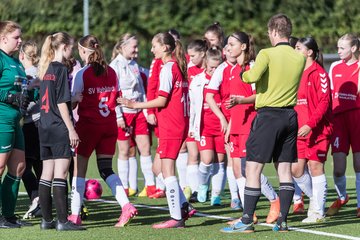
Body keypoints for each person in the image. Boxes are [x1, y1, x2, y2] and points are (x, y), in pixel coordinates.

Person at [221, 14, 305, 233]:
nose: (268, 36)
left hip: (268, 116)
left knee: (252, 168)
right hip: (290, 117)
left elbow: (250, 77)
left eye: (268, 33)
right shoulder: (299, 57)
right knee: (284, 170)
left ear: (275, 32)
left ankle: (247, 220)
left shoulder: (266, 53)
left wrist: (244, 71)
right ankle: (283, 221)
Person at [119, 32, 195, 228]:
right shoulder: (177, 66)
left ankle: (176, 218)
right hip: (176, 124)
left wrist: (134, 105)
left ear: (165, 47)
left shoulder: (168, 68)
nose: (152, 49)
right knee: (156, 168)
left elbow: (162, 100)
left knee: (168, 170)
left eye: (155, 45)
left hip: (172, 125)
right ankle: (184, 206)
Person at [69, 35, 138, 227]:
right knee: (106, 168)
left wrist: (74, 99)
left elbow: (75, 100)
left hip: (89, 126)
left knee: (78, 172)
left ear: (83, 51)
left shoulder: (82, 73)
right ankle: (126, 206)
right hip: (108, 126)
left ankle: (75, 215)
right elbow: (116, 97)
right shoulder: (112, 72)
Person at [221, 32, 280, 225]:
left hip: (251, 124)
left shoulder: (253, 67)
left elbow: (260, 95)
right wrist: (229, 126)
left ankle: (275, 200)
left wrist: (241, 101)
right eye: (227, 45)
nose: (228, 48)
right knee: (238, 170)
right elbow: (232, 102)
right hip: (236, 125)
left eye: (232, 44)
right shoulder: (231, 70)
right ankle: (249, 213)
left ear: (244, 46)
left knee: (249, 169)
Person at [37, 31, 84, 231]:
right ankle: (63, 221)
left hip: (44, 126)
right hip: (58, 127)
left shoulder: (46, 69)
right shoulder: (61, 69)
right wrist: (71, 129)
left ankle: (46, 221)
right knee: (61, 173)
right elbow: (62, 103)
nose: (72, 51)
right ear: (63, 47)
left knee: (46, 173)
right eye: (71, 47)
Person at [291, 36, 332, 223]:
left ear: (309, 52)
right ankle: (316, 200)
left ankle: (318, 212)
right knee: (296, 170)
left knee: (315, 167)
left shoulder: (320, 73)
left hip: (317, 130)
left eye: (298, 48)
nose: (295, 51)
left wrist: (310, 124)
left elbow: (324, 103)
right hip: (298, 130)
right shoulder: (295, 72)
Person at [110, 33, 155, 197]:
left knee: (145, 148)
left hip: (138, 112)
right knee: (124, 150)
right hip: (124, 113)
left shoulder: (135, 65)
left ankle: (151, 186)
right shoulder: (114, 66)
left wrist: (146, 110)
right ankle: (126, 187)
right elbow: (112, 94)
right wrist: (118, 116)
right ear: (123, 47)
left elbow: (141, 90)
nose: (137, 50)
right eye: (134, 47)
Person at [0, 20, 31, 228]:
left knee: (19, 167)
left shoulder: (17, 62)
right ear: (3, 38)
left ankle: (9, 215)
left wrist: (32, 92)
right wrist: (9, 97)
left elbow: (24, 87)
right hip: (2, 118)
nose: (20, 41)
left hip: (16, 120)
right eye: (16, 37)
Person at [327, 33, 360, 217]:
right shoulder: (334, 67)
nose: (338, 51)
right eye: (338, 47)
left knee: (358, 165)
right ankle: (342, 197)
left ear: (353, 48)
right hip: (338, 120)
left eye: (342, 48)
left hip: (357, 118)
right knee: (338, 168)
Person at [188, 47, 225, 206]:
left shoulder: (225, 80)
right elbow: (192, 105)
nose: (214, 71)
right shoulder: (197, 80)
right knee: (207, 159)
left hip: (222, 127)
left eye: (217, 67)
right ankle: (202, 186)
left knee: (220, 161)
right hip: (204, 127)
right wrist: (192, 125)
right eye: (211, 67)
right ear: (206, 64)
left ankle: (216, 195)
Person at [18, 40, 42, 220]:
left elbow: (25, 104)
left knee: (22, 167)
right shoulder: (41, 72)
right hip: (43, 124)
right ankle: (45, 203)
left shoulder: (26, 75)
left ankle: (37, 199)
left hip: (30, 125)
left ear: (21, 56)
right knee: (41, 166)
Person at [184, 39, 208, 201]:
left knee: (210, 158)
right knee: (193, 154)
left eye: (193, 55)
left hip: (208, 118)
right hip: (192, 118)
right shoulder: (189, 69)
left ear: (203, 54)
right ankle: (192, 190)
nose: (190, 58)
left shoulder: (213, 68)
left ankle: (206, 189)